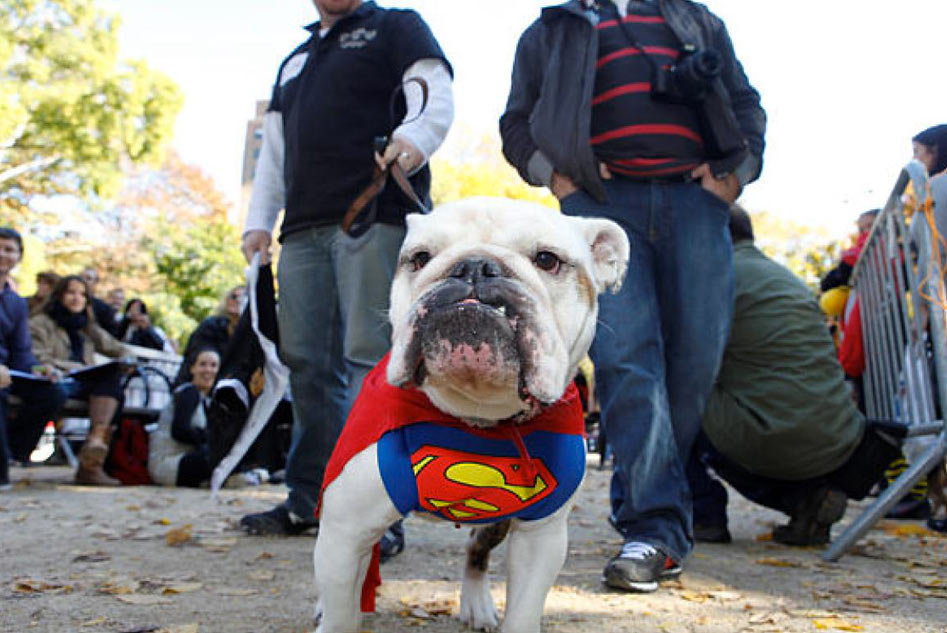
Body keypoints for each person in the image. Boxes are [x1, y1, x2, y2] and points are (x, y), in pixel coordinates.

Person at [500, 0, 765, 592]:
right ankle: (653, 528)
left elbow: (745, 102)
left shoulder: (695, 18)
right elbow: (516, 122)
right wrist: (557, 178)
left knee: (696, 362)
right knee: (625, 359)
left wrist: (736, 173)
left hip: (696, 202)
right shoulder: (552, 28)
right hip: (601, 205)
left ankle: (650, 497)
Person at [238, 0, 454, 543]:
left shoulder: (396, 25)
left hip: (374, 214)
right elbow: (274, 152)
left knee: (370, 359)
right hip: (301, 229)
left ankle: (379, 511)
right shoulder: (295, 60)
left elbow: (434, 92)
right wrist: (259, 222)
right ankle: (309, 499)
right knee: (306, 364)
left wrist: (414, 142)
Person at [686, 206, 900, 546]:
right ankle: (808, 501)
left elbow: (683, 359)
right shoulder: (782, 277)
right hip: (837, 436)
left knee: (665, 396)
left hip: (774, 436)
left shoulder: (713, 278)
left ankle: (702, 513)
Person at [29, 275, 131, 485]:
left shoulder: (86, 327)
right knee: (108, 383)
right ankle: (92, 460)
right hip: (56, 380)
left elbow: (117, 348)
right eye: (71, 292)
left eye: (83, 294)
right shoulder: (40, 323)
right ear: (59, 295)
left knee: (112, 378)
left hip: (85, 382)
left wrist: (128, 360)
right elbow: (37, 357)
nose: (77, 298)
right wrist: (73, 367)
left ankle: (94, 450)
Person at [0, 229, 67, 490]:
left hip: (9, 373)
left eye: (9, 249)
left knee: (53, 392)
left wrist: (41, 369)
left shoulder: (16, 303)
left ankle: (13, 453)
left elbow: (22, 352)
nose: (3, 254)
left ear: (18, 256)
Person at [148, 348, 220, 487]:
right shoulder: (188, 392)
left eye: (213, 365)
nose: (208, 370)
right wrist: (210, 439)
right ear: (193, 369)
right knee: (219, 454)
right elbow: (179, 430)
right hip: (169, 463)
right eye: (203, 364)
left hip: (186, 460)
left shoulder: (207, 400)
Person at [173, 285, 244, 386]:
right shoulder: (210, 326)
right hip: (194, 386)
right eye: (233, 296)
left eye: (242, 298)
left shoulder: (253, 336)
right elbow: (198, 360)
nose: (237, 300)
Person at [79, 267, 121, 338]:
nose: (84, 281)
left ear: (95, 283)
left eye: (89, 278)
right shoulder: (67, 302)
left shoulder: (104, 309)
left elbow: (111, 336)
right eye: (81, 277)